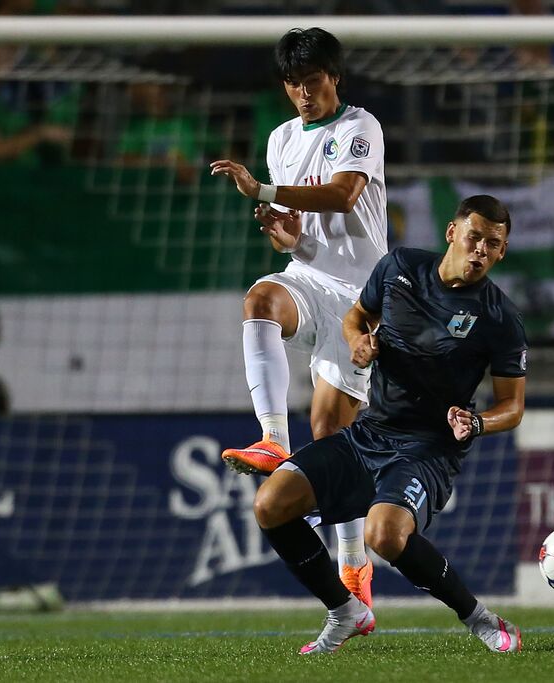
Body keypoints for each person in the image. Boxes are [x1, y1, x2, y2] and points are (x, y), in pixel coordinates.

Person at [252, 195, 527, 654]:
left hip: (427, 450)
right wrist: (358, 341)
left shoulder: (500, 319)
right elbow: (357, 317)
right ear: (452, 234)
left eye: (492, 244)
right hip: (370, 432)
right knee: (270, 504)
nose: (480, 250)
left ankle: (479, 618)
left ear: (501, 253)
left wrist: (477, 423)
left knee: (383, 534)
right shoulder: (398, 268)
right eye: (474, 237)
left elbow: (512, 406)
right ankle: (346, 611)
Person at [209, 27, 387, 606]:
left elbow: (340, 195)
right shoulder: (281, 138)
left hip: (361, 298)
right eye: (294, 85)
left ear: (334, 77)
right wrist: (286, 237)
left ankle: (355, 565)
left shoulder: (360, 128)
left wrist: (260, 188)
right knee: (260, 300)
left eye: (313, 82)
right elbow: (299, 233)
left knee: (332, 434)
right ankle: (270, 439)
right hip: (310, 280)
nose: (305, 94)